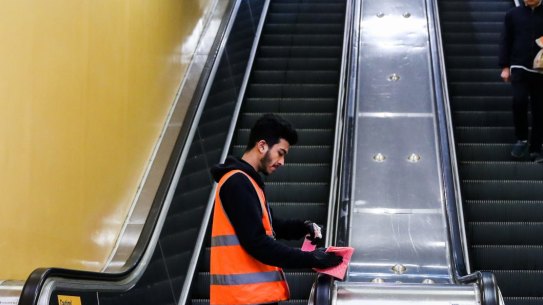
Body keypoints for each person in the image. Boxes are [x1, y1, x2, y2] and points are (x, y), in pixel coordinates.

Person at [209, 113, 342, 305]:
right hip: (243, 298)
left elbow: (268, 226)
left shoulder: (247, 181)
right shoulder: (237, 182)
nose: (282, 162)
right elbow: (257, 242)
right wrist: (310, 259)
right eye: (281, 153)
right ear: (262, 145)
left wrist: (302, 227)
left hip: (249, 296)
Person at [499, 0, 543, 162]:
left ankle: (536, 148)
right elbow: (506, 40)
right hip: (519, 65)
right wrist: (504, 66)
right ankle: (522, 139)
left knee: (540, 109)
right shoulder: (513, 15)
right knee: (519, 100)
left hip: (541, 69)